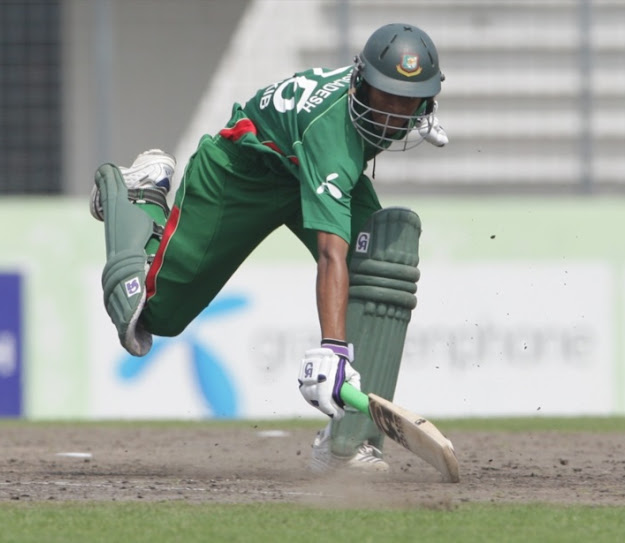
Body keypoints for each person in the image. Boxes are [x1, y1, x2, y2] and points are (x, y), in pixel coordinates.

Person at [90, 23, 447, 472]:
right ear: (362, 83)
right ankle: (140, 194)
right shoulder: (333, 135)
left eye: (408, 102)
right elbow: (331, 254)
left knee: (382, 260)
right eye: (386, 98)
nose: (394, 114)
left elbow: (396, 101)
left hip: (298, 165)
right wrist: (333, 351)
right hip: (241, 173)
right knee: (152, 316)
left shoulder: (381, 94)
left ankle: (348, 443)